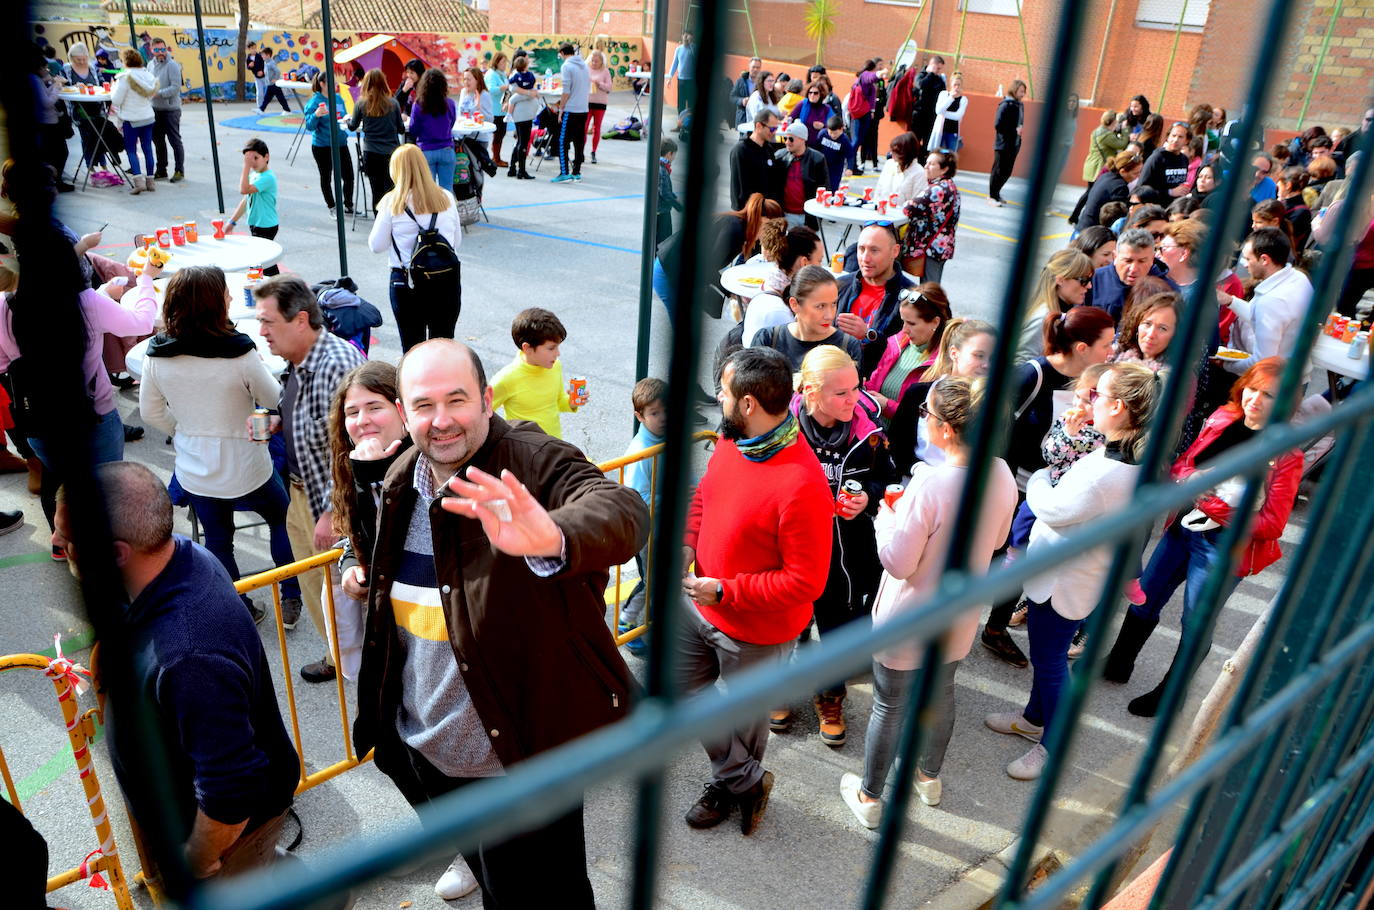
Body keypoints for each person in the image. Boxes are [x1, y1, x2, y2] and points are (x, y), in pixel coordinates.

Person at [353, 339, 645, 905]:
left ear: (487, 399)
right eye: (423, 405)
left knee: (547, 896)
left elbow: (622, 511)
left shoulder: (532, 460)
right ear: (404, 411)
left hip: (519, 759)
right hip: (430, 749)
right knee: (499, 884)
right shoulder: (401, 478)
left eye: (457, 400)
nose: (442, 421)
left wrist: (553, 536)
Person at [57, 463, 299, 883]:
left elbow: (230, 790)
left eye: (68, 539)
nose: (57, 544)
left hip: (225, 839)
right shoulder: (181, 554)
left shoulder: (188, 654)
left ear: (116, 554)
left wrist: (197, 859)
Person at [841, 375, 1017, 825]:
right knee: (941, 695)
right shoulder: (1000, 472)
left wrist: (885, 518)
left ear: (945, 428)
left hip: (909, 614)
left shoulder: (931, 485)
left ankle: (869, 798)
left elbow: (899, 564)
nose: (923, 420)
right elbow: (998, 540)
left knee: (889, 705)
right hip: (958, 613)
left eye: (926, 414)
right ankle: (928, 777)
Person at [679, 346, 832, 834]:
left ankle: (730, 787)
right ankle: (747, 780)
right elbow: (704, 495)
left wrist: (725, 592)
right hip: (698, 604)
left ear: (748, 404)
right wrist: (687, 543)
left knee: (744, 720)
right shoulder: (733, 439)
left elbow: (807, 581)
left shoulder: (803, 483)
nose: (718, 400)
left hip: (754, 628)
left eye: (724, 393)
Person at [987, 362, 1157, 779]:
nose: (1091, 400)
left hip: (1067, 582)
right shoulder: (1118, 449)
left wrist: (1043, 477)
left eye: (1098, 395)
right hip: (1066, 575)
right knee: (1048, 656)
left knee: (1049, 662)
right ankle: (1032, 719)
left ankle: (1052, 746)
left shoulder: (1112, 473)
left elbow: (1054, 506)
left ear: (1117, 407)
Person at [1107, 358, 1302, 721]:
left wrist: (1212, 504)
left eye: (1269, 395)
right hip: (1183, 526)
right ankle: (1119, 663)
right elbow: (1187, 463)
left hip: (1224, 548)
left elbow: (1273, 524)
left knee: (1195, 621)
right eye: (1251, 389)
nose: (1254, 400)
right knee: (1145, 596)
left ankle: (1171, 694)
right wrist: (1188, 478)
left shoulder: (1286, 455)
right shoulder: (1223, 418)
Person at [138, 265, 301, 624]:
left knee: (218, 538)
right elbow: (275, 398)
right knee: (282, 521)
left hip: (196, 469)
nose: (230, 298)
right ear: (214, 304)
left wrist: (185, 429)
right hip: (247, 466)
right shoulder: (239, 353)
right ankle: (290, 596)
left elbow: (150, 412)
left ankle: (241, 607)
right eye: (225, 294)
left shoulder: (157, 354)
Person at [980, 306, 1117, 667]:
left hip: (1054, 493)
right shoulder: (1033, 376)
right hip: (1012, 485)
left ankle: (995, 628)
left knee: (1019, 562)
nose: (1112, 350)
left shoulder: (1096, 384)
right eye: (1107, 343)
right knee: (994, 557)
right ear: (1083, 347)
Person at [252, 276, 366, 683]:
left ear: (300, 320)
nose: (261, 331)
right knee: (317, 588)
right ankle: (339, 655)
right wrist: (285, 422)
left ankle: (359, 668)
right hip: (301, 494)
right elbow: (321, 426)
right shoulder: (301, 360)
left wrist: (331, 513)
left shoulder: (334, 367)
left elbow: (355, 450)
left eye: (267, 321)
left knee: (336, 594)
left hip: (327, 507)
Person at [778, 345, 894, 745]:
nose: (853, 399)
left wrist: (869, 499)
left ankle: (830, 695)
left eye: (856, 388)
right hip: (790, 550)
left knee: (838, 629)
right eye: (841, 393)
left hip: (846, 556)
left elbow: (888, 480)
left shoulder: (871, 431)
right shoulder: (780, 426)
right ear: (810, 391)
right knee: (788, 622)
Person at [0, 256, 158, 540]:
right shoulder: (84, 301)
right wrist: (146, 278)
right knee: (108, 487)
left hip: (37, 417)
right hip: (93, 415)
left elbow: (2, 364)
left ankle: (64, 542)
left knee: (59, 480)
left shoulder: (5, 304)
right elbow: (140, 321)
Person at [368, 144, 461, 352]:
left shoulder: (392, 203)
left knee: (412, 350)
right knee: (443, 347)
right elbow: (456, 242)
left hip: (407, 282)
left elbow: (376, 246)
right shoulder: (446, 197)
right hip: (445, 280)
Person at [886, 318, 998, 473]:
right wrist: (919, 470)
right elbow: (896, 446)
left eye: (993, 358)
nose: (987, 365)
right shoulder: (919, 394)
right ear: (954, 353)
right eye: (979, 355)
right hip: (915, 485)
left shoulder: (995, 407)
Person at [1216, 227, 1314, 388]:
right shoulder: (1298, 277)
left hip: (1275, 385)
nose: (1244, 264)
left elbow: (1262, 360)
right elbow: (1265, 319)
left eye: (1248, 259)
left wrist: (1225, 366)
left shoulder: (1272, 301)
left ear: (1264, 259)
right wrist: (1231, 301)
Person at [617, 377, 669, 655]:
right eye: (654, 413)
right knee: (652, 580)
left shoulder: (663, 439)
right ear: (639, 415)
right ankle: (626, 622)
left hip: (663, 525)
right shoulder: (641, 452)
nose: (663, 418)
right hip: (647, 529)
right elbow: (638, 498)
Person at [836, 222, 920, 378]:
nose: (865, 258)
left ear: (894, 251)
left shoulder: (911, 297)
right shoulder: (840, 285)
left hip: (876, 387)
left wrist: (868, 335)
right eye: (861, 249)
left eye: (874, 250)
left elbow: (913, 352)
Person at [490, 307, 584, 438]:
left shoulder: (555, 366)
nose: (558, 353)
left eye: (558, 347)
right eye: (551, 348)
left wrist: (572, 402)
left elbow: (557, 402)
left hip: (554, 445)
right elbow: (482, 414)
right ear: (527, 348)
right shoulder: (506, 378)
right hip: (525, 451)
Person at [864, 284, 952, 420]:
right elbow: (874, 383)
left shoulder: (944, 364)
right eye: (903, 321)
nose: (904, 329)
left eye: (911, 324)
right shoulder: (896, 342)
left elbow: (925, 419)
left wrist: (887, 406)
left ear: (935, 322)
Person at [761, 264, 863, 370]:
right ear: (794, 304)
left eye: (833, 304)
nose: (830, 315)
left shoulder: (848, 346)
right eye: (820, 306)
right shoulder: (768, 339)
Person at [1016, 249, 1094, 364]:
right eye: (1084, 280)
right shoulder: (1043, 318)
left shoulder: (1066, 309)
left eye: (1090, 280)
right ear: (1060, 280)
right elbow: (1020, 364)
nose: (1089, 286)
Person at [1089, 227, 1177, 324]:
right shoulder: (1094, 280)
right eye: (1128, 261)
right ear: (1115, 257)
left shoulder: (1167, 290)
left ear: (1152, 259)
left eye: (1142, 261)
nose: (1133, 268)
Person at [62, 42, 121, 182]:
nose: (82, 62)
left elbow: (101, 83)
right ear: (72, 58)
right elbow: (64, 86)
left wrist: (107, 100)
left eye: (84, 59)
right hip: (79, 110)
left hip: (97, 107)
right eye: (78, 59)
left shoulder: (92, 68)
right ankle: (91, 167)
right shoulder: (67, 69)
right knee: (87, 138)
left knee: (100, 136)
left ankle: (104, 166)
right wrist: (73, 85)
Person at [348, 68, 405, 211]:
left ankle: (379, 222)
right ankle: (393, 220)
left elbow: (352, 127)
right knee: (391, 190)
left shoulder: (361, 104)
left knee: (376, 192)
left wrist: (349, 121)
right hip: (391, 153)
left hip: (371, 153)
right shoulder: (393, 103)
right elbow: (401, 129)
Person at [902, 150, 962, 282]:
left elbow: (908, 208)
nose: (926, 166)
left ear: (944, 169)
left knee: (929, 288)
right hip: (941, 245)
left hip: (932, 247)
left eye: (932, 164)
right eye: (927, 162)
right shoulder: (950, 186)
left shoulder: (938, 189)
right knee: (931, 285)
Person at [225, 138, 280, 276]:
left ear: (266, 157)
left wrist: (246, 166)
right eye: (249, 159)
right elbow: (246, 199)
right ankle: (277, 288)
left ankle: (278, 290)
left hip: (266, 225)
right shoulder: (256, 174)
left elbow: (243, 190)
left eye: (256, 158)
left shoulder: (267, 177)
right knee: (265, 263)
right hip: (257, 223)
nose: (252, 162)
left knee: (262, 262)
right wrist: (232, 222)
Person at [304, 73, 354, 214]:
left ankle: (348, 205)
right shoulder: (315, 102)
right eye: (331, 81)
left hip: (341, 143)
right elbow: (309, 125)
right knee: (326, 177)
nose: (335, 84)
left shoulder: (338, 98)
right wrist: (316, 115)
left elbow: (343, 116)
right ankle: (332, 206)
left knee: (348, 176)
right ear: (322, 84)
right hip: (323, 146)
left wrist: (348, 120)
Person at [111, 47, 157, 195]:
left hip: (131, 119)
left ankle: (138, 182)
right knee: (148, 148)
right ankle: (150, 181)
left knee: (131, 149)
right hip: (148, 117)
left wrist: (113, 88)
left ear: (125, 61)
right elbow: (150, 96)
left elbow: (116, 100)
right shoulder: (149, 76)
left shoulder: (124, 78)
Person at [549, 43, 591, 183]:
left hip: (571, 109)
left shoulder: (566, 66)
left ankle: (564, 172)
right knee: (579, 141)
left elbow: (566, 91)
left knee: (562, 141)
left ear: (562, 52)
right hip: (583, 108)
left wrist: (561, 109)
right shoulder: (584, 65)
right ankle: (576, 171)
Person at [409, 69, 458, 189]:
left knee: (427, 191)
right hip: (446, 148)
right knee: (447, 190)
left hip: (426, 150)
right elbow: (451, 123)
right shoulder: (450, 103)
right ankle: (448, 208)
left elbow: (413, 130)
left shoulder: (419, 105)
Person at [775, 121, 829, 228]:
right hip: (786, 215)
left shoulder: (817, 159)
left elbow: (825, 189)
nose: (787, 142)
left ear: (802, 139)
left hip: (808, 216)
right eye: (785, 138)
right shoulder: (779, 157)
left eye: (791, 139)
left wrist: (817, 217)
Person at [729, 108, 783, 210]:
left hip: (765, 210)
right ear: (759, 126)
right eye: (772, 129)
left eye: (776, 129)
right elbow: (740, 190)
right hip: (748, 212)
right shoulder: (740, 151)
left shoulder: (768, 149)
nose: (775, 132)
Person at [1076, 151, 1143, 231]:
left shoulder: (1106, 175)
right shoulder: (1120, 187)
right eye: (1135, 173)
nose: (1138, 176)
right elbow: (1119, 217)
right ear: (1123, 172)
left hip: (1083, 225)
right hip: (1091, 232)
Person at [148, 37, 184, 182]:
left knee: (175, 141)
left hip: (171, 110)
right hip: (155, 109)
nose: (160, 52)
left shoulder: (172, 65)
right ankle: (161, 170)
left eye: (163, 49)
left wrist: (159, 94)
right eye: (157, 50)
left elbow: (176, 87)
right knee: (158, 142)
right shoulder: (150, 65)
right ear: (152, 50)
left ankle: (179, 171)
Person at [1134, 121, 1192, 205]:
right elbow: (1140, 189)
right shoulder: (1157, 158)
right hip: (1156, 207)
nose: (1175, 140)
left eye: (1180, 137)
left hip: (1175, 207)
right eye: (1173, 135)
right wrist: (1169, 192)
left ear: (1187, 140)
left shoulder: (1184, 159)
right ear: (1168, 137)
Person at [988, 80, 1026, 206]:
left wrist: (1019, 131)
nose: (1023, 94)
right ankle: (992, 196)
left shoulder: (1019, 105)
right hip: (1003, 144)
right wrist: (1014, 130)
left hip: (1014, 144)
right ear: (1014, 90)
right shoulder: (1006, 104)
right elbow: (998, 125)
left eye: (1024, 91)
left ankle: (997, 194)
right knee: (998, 170)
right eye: (1021, 91)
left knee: (1007, 171)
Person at [455, 66, 498, 177]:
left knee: (476, 169)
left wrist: (479, 109)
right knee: (464, 169)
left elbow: (490, 119)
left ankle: (478, 192)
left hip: (478, 138)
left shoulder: (484, 95)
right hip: (463, 137)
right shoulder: (464, 92)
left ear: (477, 80)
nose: (466, 82)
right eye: (464, 79)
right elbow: (460, 113)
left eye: (469, 79)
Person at [874, 131, 929, 212]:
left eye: (896, 151)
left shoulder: (919, 173)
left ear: (906, 153)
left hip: (902, 216)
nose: (891, 153)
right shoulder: (889, 164)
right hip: (880, 210)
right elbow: (879, 190)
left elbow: (916, 202)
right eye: (892, 150)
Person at [505, 54, 539, 180]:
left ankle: (513, 167)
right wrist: (531, 93)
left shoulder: (515, 78)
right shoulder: (526, 78)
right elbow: (520, 92)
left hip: (521, 114)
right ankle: (521, 170)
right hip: (524, 115)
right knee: (523, 142)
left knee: (519, 142)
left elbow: (514, 91)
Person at [910, 56, 947, 161]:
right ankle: (911, 160)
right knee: (915, 139)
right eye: (938, 68)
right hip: (918, 114)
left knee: (928, 142)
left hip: (931, 116)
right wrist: (930, 74)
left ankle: (922, 162)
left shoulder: (939, 80)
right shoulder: (921, 76)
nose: (939, 71)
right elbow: (921, 85)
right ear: (932, 65)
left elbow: (943, 94)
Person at [847, 60, 880, 171]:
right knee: (857, 140)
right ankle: (851, 165)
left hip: (859, 112)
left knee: (858, 139)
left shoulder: (860, 79)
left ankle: (851, 165)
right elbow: (872, 77)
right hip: (862, 113)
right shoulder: (866, 76)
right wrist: (881, 73)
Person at [1083, 110, 1128, 183]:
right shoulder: (1106, 135)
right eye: (1116, 122)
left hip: (1093, 165)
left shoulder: (1099, 131)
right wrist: (1125, 130)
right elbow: (1122, 144)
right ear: (1113, 122)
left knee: (1091, 191)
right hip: (1098, 167)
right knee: (1092, 192)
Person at [1275, 166, 1314, 251]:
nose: (1277, 187)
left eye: (1279, 184)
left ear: (1288, 185)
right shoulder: (1284, 203)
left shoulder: (1301, 212)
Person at [928, 72, 967, 154]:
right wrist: (951, 98)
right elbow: (938, 110)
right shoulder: (943, 95)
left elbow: (958, 116)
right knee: (937, 153)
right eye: (955, 84)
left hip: (953, 131)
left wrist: (943, 113)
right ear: (951, 84)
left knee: (950, 155)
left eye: (959, 85)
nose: (956, 87)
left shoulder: (963, 99)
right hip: (940, 130)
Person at [585, 50, 612, 164]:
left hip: (600, 103)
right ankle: (580, 151)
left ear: (602, 62)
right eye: (592, 60)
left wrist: (599, 84)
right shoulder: (586, 69)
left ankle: (593, 152)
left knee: (597, 128)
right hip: (587, 102)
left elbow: (609, 88)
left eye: (596, 61)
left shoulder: (605, 71)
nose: (594, 63)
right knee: (584, 128)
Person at [817, 115, 856, 192]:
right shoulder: (822, 134)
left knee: (832, 188)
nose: (833, 135)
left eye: (835, 133)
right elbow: (816, 148)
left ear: (841, 129)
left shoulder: (844, 140)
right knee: (820, 186)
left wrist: (850, 168)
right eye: (830, 133)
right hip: (822, 165)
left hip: (835, 169)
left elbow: (850, 155)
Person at [485, 53, 510, 168]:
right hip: (495, 109)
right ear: (497, 62)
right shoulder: (491, 74)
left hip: (502, 109)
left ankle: (497, 156)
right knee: (498, 134)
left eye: (505, 62)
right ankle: (496, 158)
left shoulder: (502, 74)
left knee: (501, 133)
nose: (504, 64)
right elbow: (490, 89)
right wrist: (502, 88)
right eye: (502, 62)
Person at [657, 136, 681, 242]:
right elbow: (665, 193)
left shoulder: (659, 165)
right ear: (669, 153)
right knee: (664, 241)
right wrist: (679, 206)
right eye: (674, 155)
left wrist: (674, 197)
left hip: (659, 210)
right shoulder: (662, 169)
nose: (674, 158)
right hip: (662, 212)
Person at [795, 80, 833, 144]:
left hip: (819, 144)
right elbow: (791, 117)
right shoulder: (803, 104)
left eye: (815, 93)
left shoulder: (826, 109)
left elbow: (834, 127)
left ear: (821, 94)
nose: (812, 95)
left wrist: (823, 126)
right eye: (810, 92)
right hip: (803, 143)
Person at [395, 58, 426, 131]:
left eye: (412, 73)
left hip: (421, 122)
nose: (409, 75)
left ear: (419, 73)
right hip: (407, 121)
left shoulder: (425, 85)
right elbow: (395, 103)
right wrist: (404, 90)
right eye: (407, 72)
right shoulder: (405, 83)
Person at [667, 31, 695, 110]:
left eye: (688, 36)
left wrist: (691, 45)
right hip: (681, 79)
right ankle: (680, 118)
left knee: (691, 101)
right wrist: (670, 77)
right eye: (685, 36)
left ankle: (690, 119)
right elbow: (675, 63)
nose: (686, 38)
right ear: (682, 36)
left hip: (691, 80)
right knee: (681, 101)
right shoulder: (678, 49)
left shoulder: (694, 48)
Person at [732, 57, 762, 127]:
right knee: (743, 138)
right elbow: (732, 97)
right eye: (753, 67)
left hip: (758, 120)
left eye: (758, 67)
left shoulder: (762, 83)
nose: (755, 69)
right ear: (749, 66)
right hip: (743, 118)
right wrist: (742, 101)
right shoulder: (741, 81)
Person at [246, 41, 269, 110]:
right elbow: (248, 67)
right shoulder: (248, 58)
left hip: (265, 76)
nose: (254, 50)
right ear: (249, 49)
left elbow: (265, 64)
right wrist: (250, 66)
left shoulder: (259, 56)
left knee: (271, 90)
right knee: (259, 93)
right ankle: (260, 107)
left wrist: (262, 72)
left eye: (255, 48)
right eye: (252, 48)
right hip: (257, 77)